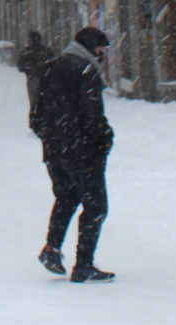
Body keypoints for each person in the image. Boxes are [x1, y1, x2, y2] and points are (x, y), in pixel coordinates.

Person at [31, 25, 115, 283]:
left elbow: (36, 118)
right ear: (91, 48)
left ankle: (51, 249)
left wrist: (55, 137)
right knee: (96, 206)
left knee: (66, 198)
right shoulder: (86, 72)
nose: (102, 54)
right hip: (82, 154)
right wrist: (105, 138)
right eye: (100, 49)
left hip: (56, 153)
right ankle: (84, 265)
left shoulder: (50, 68)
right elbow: (93, 116)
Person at [17, 29, 53, 128]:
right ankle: (44, 122)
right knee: (44, 102)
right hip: (43, 78)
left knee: (35, 102)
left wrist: (32, 69)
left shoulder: (27, 52)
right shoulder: (45, 50)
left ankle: (37, 123)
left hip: (35, 79)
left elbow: (21, 66)